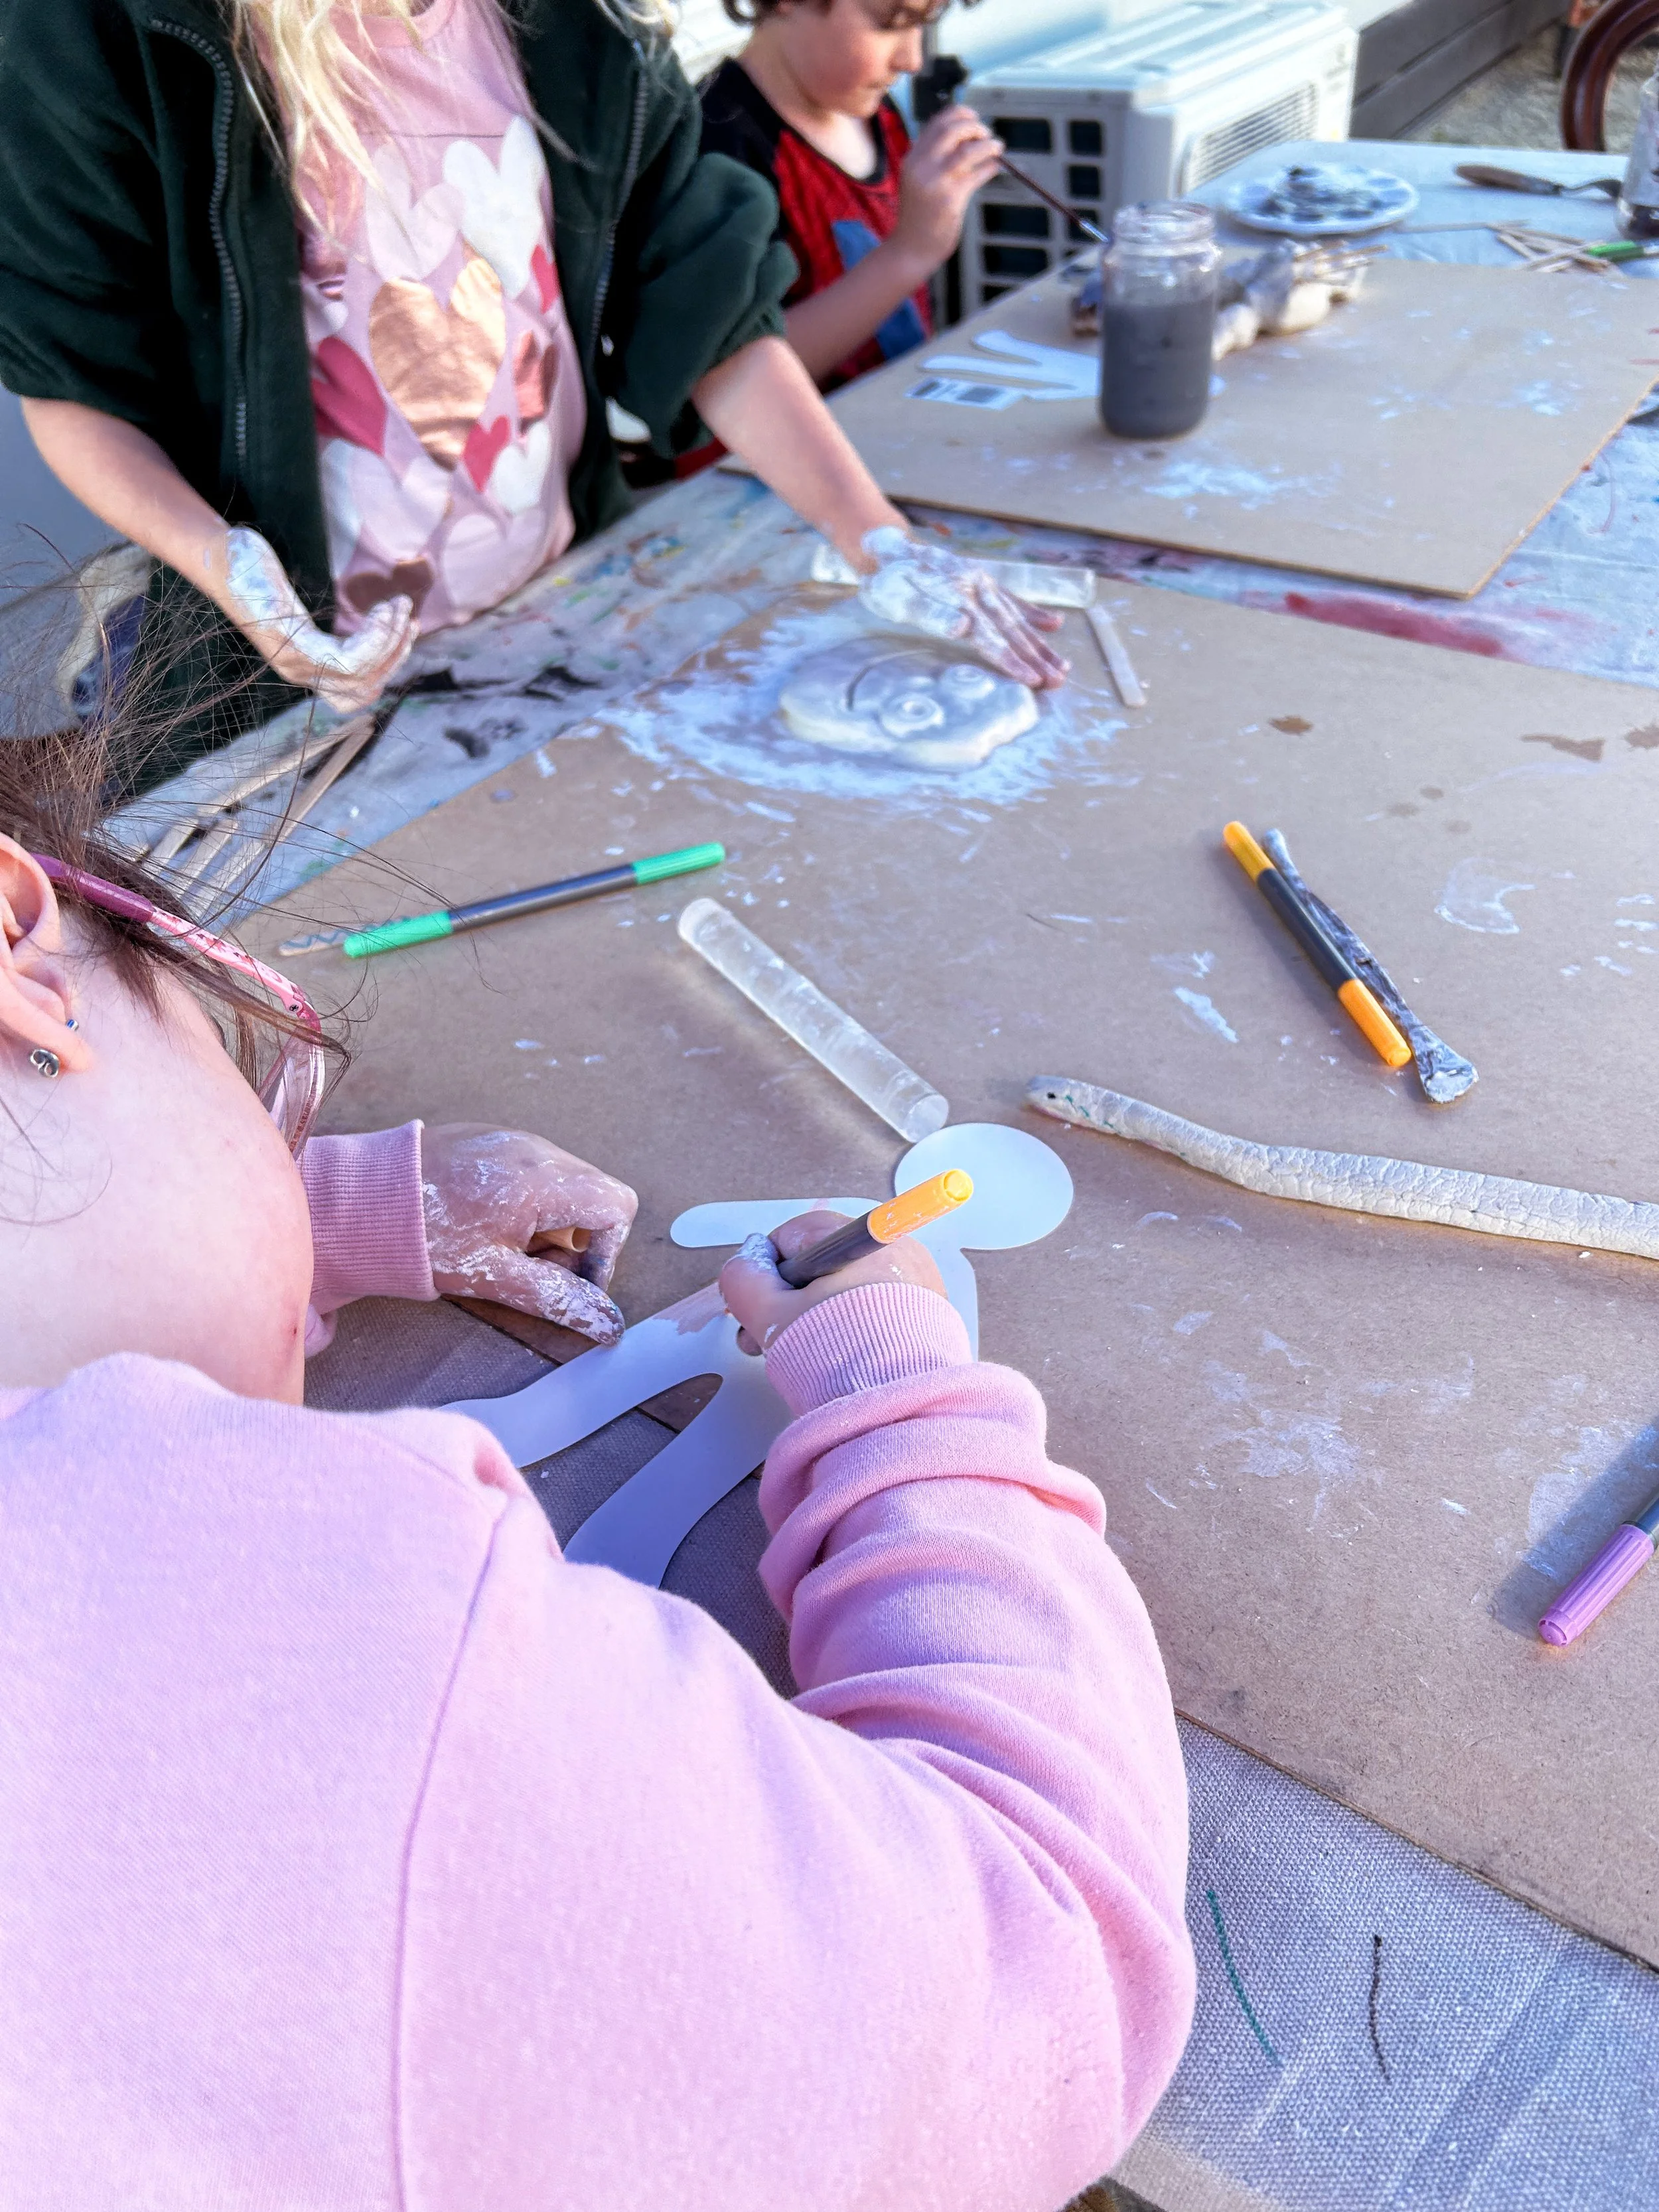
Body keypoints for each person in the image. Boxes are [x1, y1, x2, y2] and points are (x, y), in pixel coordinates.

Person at [0, 715, 1194, 2207]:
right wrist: (902, 1405)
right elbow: (1036, 1977)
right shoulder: (330, 1619)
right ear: (21, 964)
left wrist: (329, 1209)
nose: (280, 1132)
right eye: (251, 1082)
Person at [0, 0, 1063, 783]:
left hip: (556, 615)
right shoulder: (105, 35)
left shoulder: (576, 28)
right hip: (287, 691)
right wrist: (225, 564)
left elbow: (710, 315)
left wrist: (875, 535)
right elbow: (75, 384)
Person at [701, 0, 999, 394]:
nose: (912, 60)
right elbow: (730, 375)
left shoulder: (876, 113)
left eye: (924, 24)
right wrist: (909, 252)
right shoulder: (717, 149)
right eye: (891, 24)